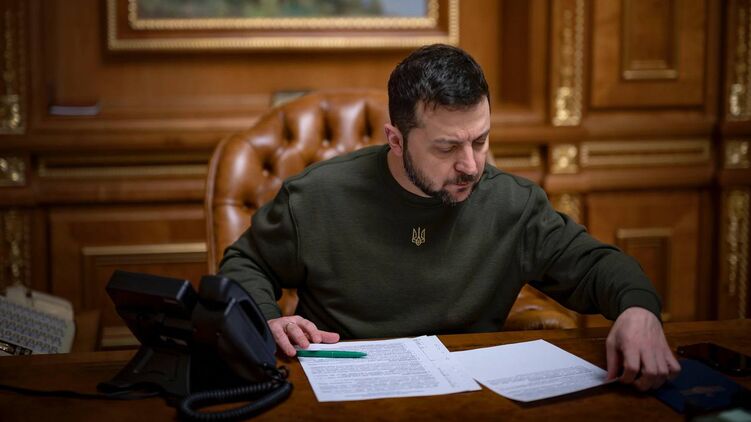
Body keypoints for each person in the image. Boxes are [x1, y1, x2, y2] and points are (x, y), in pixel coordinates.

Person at [220, 44, 681, 391]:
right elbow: (245, 263)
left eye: (480, 141)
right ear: (396, 140)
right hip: (346, 390)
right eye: (447, 147)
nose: (471, 165)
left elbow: (596, 266)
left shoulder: (513, 204)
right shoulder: (316, 197)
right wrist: (267, 320)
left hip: (471, 395)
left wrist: (638, 309)